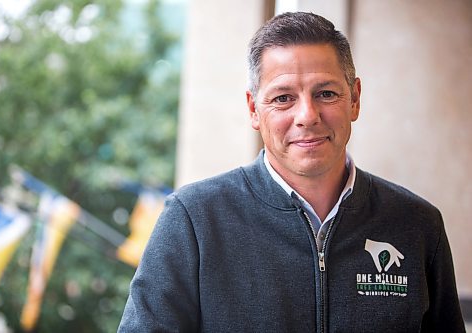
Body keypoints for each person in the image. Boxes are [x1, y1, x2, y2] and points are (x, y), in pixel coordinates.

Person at [118, 12, 465, 332]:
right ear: (254, 109)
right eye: (283, 98)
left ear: (355, 99)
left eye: (326, 93)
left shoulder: (417, 225)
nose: (307, 116)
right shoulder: (193, 219)